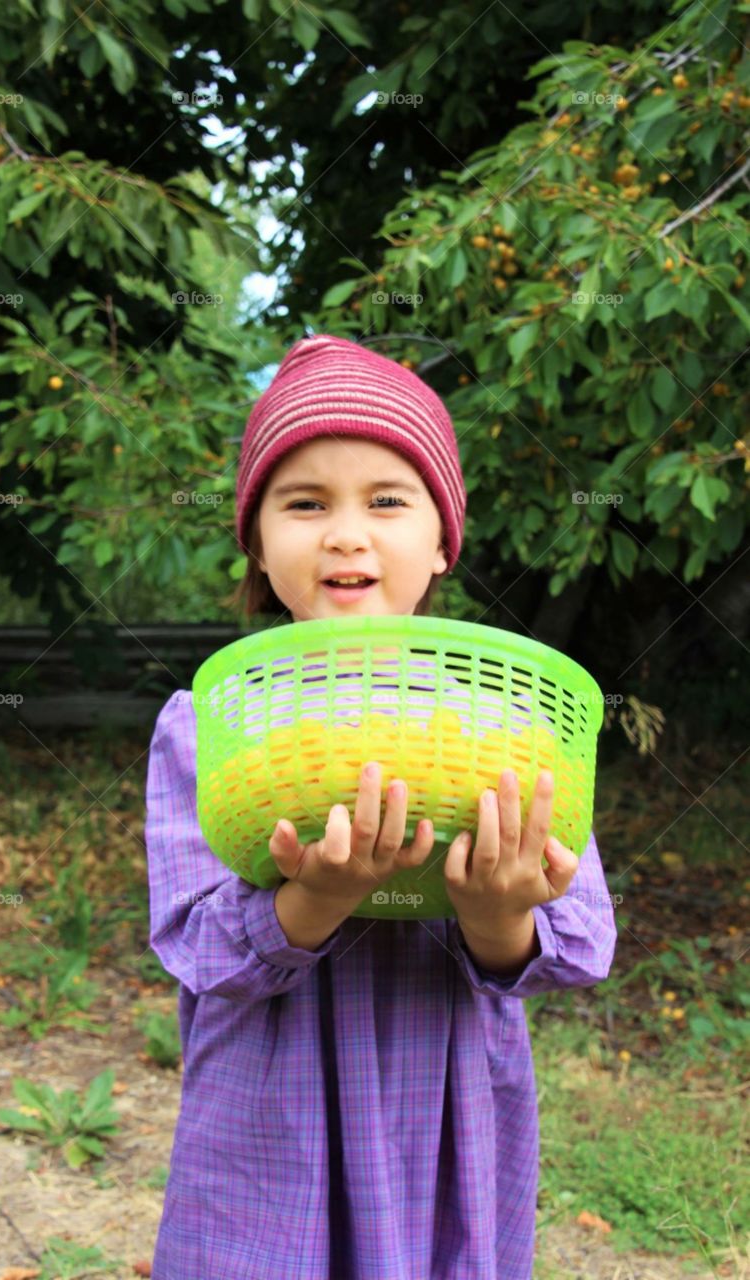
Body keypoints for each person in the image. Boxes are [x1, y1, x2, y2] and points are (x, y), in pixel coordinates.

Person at [145, 334, 617, 1279]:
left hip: (444, 1118)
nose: (346, 533)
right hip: (269, 1117)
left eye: (388, 501)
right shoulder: (212, 724)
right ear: (257, 539)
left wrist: (495, 913)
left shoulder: (505, 721)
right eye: (305, 502)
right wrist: (315, 896)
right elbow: (196, 944)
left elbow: (578, 940)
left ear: (442, 539)